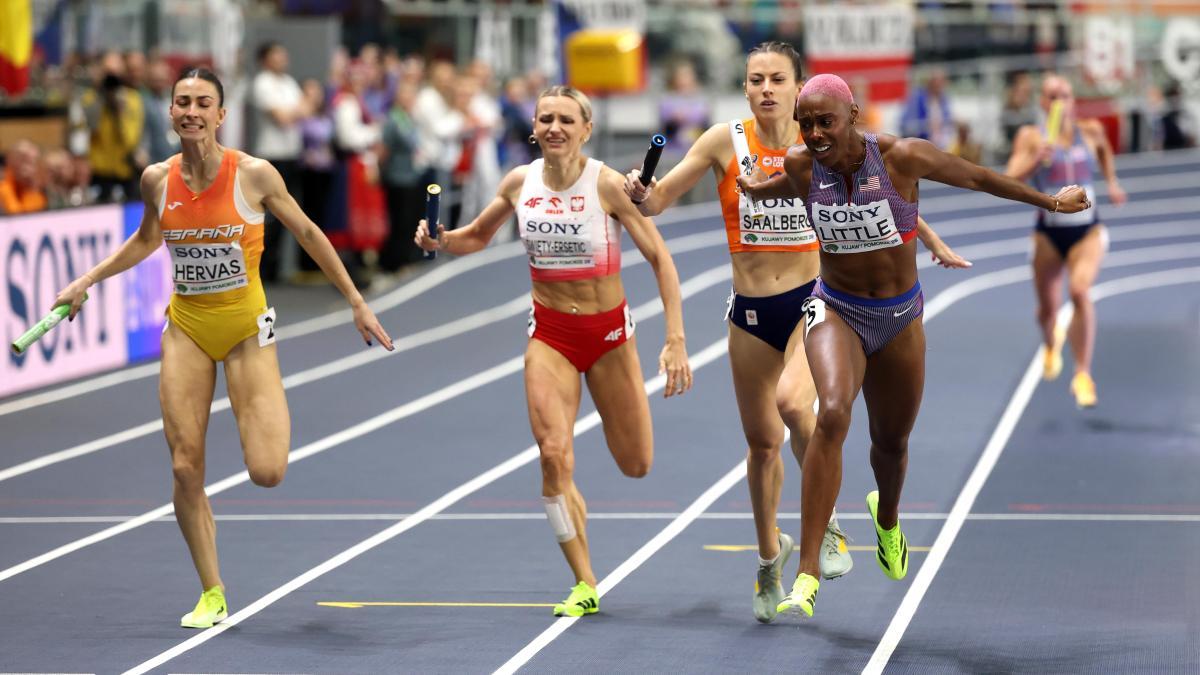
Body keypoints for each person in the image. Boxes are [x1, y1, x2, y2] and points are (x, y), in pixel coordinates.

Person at [625, 43, 968, 624]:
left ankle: (827, 525)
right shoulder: (720, 141)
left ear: (797, 85)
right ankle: (767, 559)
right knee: (761, 445)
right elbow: (658, 200)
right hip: (750, 312)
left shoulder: (816, 141)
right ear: (744, 88)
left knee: (795, 405)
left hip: (813, 300)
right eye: (755, 79)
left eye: (777, 79)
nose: (765, 89)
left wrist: (928, 240)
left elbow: (884, 189)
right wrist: (642, 192)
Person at [52, 67, 394, 629]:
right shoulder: (156, 180)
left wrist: (356, 301)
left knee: (267, 470)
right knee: (186, 467)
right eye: (181, 101)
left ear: (221, 114)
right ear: (170, 112)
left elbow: (308, 233)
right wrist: (86, 281)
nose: (190, 111)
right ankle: (212, 591)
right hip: (186, 329)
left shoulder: (254, 175)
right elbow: (145, 241)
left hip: (244, 334)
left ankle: (268, 409)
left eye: (202, 102)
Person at [740, 73, 1088, 618]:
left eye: (824, 121)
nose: (813, 133)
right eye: (805, 124)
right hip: (837, 308)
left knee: (891, 445)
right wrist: (757, 189)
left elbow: (978, 178)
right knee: (830, 413)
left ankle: (888, 522)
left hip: (899, 317)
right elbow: (790, 182)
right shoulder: (802, 163)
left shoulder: (903, 157)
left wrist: (1051, 200)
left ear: (853, 115)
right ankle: (807, 573)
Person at [415, 85, 692, 618]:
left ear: (586, 130)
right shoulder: (520, 183)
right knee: (552, 454)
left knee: (636, 463)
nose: (555, 128)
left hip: (609, 336)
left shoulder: (607, 185)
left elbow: (661, 259)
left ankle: (577, 523)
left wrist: (675, 339)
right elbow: (474, 237)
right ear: (534, 128)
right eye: (546, 118)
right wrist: (439, 241)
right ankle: (584, 580)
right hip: (549, 336)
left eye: (567, 119)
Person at [1006, 74, 1126, 408]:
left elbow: (1103, 152)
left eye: (1066, 95)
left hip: (1087, 230)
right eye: (1052, 96)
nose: (1060, 102)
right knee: (1047, 310)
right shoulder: (1032, 136)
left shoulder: (1090, 131)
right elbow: (1009, 178)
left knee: (1079, 291)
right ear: (1043, 103)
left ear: (1074, 100)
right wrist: (1034, 160)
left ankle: (1083, 374)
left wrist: (1112, 182)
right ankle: (1049, 346)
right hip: (1049, 232)